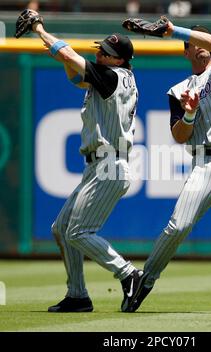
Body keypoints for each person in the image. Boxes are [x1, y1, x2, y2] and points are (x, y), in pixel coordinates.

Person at [123, 20, 211, 314]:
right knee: (177, 226)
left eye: (206, 40)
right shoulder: (179, 90)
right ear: (186, 53)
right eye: (195, 43)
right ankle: (143, 282)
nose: (203, 46)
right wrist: (189, 114)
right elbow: (178, 136)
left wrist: (174, 31)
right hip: (204, 164)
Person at [30, 13, 143, 312]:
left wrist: (39, 29)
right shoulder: (112, 78)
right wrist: (64, 56)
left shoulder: (110, 77)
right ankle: (78, 295)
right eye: (100, 49)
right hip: (101, 165)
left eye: (106, 53)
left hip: (109, 164)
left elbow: (68, 55)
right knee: (61, 227)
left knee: (78, 232)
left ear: (118, 61)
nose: (100, 53)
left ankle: (129, 274)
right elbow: (75, 75)